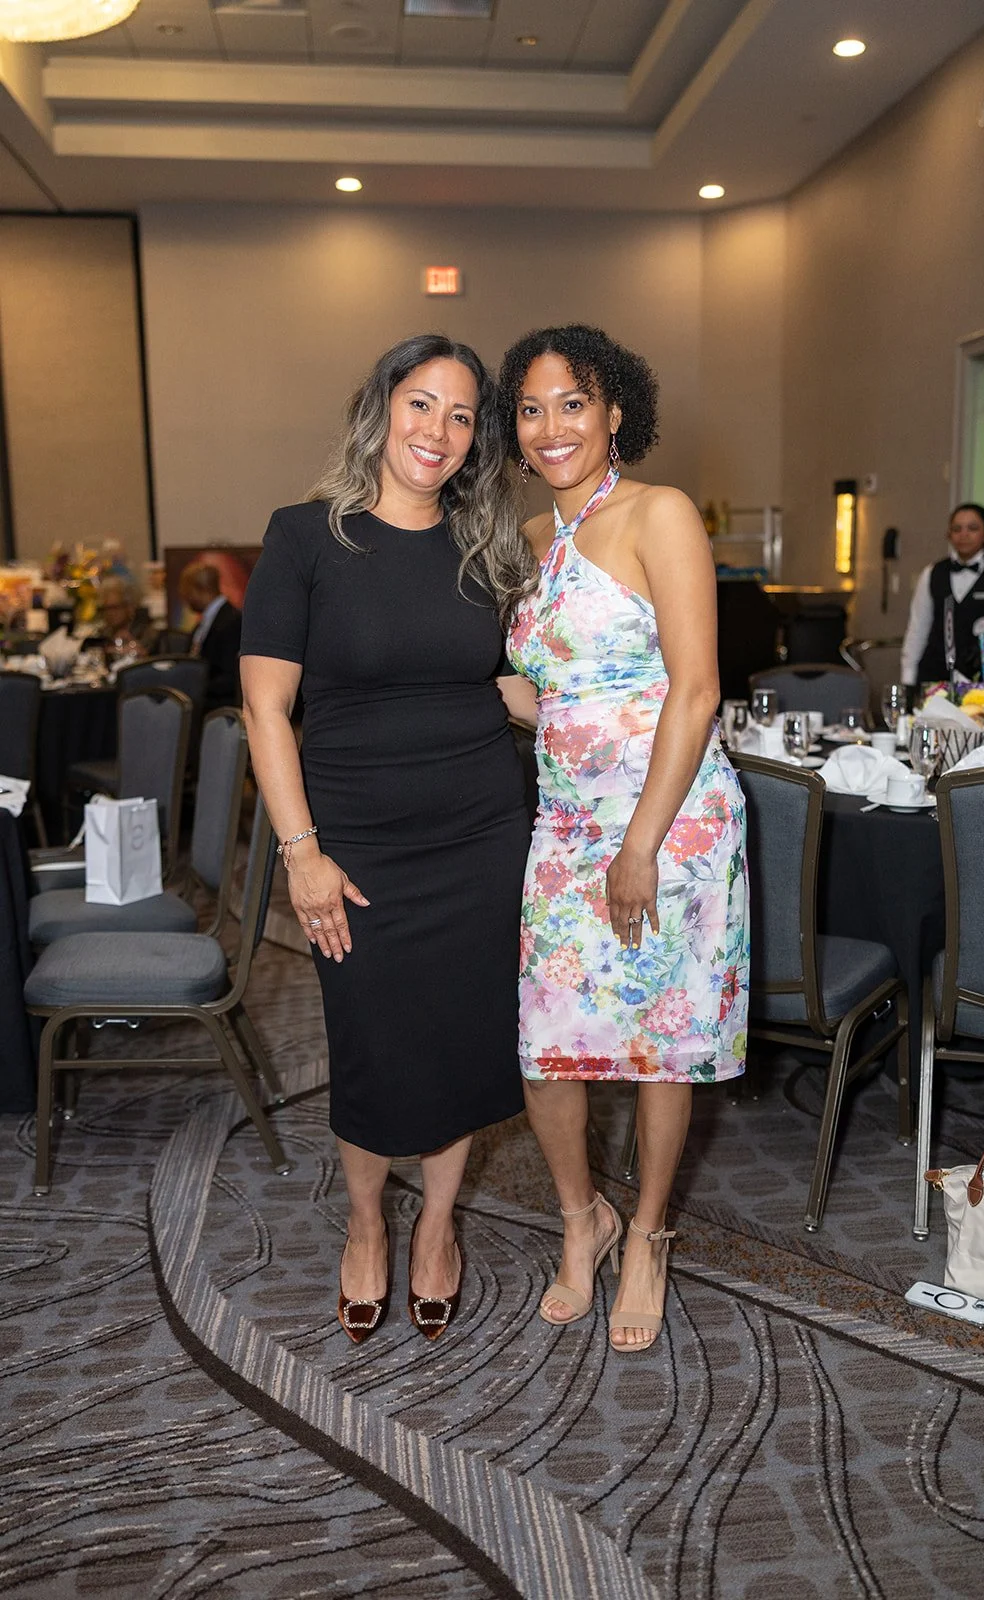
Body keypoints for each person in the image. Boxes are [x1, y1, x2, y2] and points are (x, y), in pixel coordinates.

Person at [240, 334, 535, 1346]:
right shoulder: (303, 537)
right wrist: (300, 851)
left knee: (460, 1040)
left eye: (460, 415)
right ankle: (367, 1220)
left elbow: (509, 682)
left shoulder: (488, 547)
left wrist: (603, 705)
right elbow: (265, 709)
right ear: (381, 407)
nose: (438, 431)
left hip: (480, 832)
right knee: (371, 1043)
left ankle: (438, 1229)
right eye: (421, 404)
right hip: (353, 843)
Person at [498, 324, 749, 1353]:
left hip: (672, 818)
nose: (551, 425)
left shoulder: (659, 513)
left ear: (613, 415)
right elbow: (541, 691)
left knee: (657, 1046)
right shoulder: (527, 540)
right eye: (530, 407)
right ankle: (580, 1217)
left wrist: (641, 839)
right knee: (545, 1046)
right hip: (562, 821)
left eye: (572, 402)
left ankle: (646, 1233)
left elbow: (694, 688)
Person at [900, 503, 984, 687]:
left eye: (972, 528)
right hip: (934, 673)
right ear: (949, 535)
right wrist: (908, 678)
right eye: (957, 529)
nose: (963, 535)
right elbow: (917, 629)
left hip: (982, 678)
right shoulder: (932, 573)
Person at [180, 562, 243, 709]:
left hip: (218, 708)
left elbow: (230, 677)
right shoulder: (205, 622)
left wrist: (192, 687)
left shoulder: (232, 621)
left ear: (199, 589)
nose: (185, 598)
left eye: (186, 592)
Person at [94, 575, 159, 658]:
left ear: (129, 607)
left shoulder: (147, 633)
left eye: (115, 607)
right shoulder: (103, 633)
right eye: (106, 608)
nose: (110, 613)